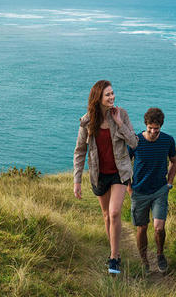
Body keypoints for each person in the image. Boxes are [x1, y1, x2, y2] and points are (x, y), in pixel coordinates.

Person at [73, 80, 138, 275]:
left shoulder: (122, 114)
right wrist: (77, 180)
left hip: (119, 172)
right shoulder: (86, 121)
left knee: (115, 212)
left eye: (112, 93)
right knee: (106, 215)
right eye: (107, 95)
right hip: (98, 174)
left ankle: (114, 257)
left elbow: (134, 142)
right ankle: (113, 252)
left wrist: (119, 123)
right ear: (98, 98)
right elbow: (79, 151)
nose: (112, 97)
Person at [128, 108, 176, 274]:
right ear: (146, 125)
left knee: (158, 228)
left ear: (161, 126)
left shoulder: (168, 140)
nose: (153, 131)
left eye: (156, 128)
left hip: (160, 190)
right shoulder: (134, 141)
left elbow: (174, 162)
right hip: (139, 191)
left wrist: (169, 182)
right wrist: (128, 187)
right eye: (150, 128)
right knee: (141, 228)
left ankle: (160, 254)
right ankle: (143, 260)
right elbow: (125, 164)